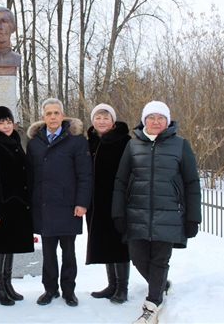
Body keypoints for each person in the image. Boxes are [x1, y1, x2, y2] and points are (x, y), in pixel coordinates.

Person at [112, 101, 201, 324]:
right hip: (137, 214)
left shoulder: (180, 145)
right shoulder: (133, 145)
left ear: (167, 121)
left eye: (160, 118)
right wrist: (118, 213)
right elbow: (121, 180)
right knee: (138, 258)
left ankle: (151, 306)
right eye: (151, 117)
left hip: (169, 214)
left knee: (160, 260)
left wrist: (192, 218)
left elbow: (191, 182)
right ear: (144, 121)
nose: (155, 122)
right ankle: (161, 284)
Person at [26, 98, 92, 307]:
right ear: (43, 117)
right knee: (48, 252)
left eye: (56, 113)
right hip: (43, 206)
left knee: (69, 252)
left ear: (63, 116)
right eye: (49, 113)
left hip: (67, 205)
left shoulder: (76, 141)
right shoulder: (34, 143)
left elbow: (85, 174)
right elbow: (30, 176)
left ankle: (69, 290)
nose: (53, 117)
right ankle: (50, 289)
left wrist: (82, 202)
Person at [0, 106, 34, 306]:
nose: (6, 126)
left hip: (16, 205)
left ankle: (7, 284)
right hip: (1, 206)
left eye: (8, 122)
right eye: (1, 122)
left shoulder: (15, 143)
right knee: (0, 247)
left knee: (10, 245)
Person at [86, 104, 131, 304]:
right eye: (98, 117)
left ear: (113, 121)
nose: (102, 121)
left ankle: (122, 287)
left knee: (119, 245)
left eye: (106, 117)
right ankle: (111, 284)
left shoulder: (125, 141)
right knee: (105, 243)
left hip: (117, 201)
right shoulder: (91, 142)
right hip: (97, 203)